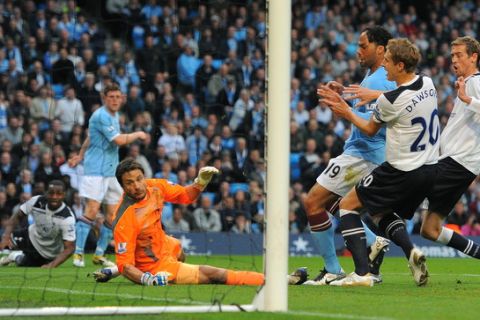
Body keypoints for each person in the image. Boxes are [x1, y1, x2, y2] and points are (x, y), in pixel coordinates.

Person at [319, 38, 439, 287]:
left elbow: (370, 128)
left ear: (401, 65)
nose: (384, 66)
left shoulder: (388, 102)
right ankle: (411, 252)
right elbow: (401, 94)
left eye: (388, 61)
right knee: (380, 211)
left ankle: (362, 274)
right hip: (429, 169)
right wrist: (366, 94)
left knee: (347, 205)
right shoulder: (428, 83)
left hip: (400, 169)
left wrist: (346, 111)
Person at [301, 26, 395, 285]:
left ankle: (333, 269)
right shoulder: (374, 76)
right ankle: (374, 241)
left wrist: (343, 109)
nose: (358, 50)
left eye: (363, 45)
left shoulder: (379, 80)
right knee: (332, 203)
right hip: (365, 152)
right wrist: (344, 95)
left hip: (364, 154)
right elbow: (372, 110)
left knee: (312, 202)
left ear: (380, 49)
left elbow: (377, 122)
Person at [92, 159, 264, 286]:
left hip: (164, 243)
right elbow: (125, 265)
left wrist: (200, 182)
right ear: (123, 187)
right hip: (153, 265)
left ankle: (112, 270)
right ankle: (273, 280)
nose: (137, 186)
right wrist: (148, 280)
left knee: (179, 248)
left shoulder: (155, 187)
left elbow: (186, 196)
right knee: (213, 275)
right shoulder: (124, 218)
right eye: (129, 183)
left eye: (139, 179)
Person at [68, 83, 148, 268]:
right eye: (111, 97)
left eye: (117, 97)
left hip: (111, 172)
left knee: (113, 215)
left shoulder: (114, 115)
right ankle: (78, 254)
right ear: (104, 98)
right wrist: (139, 133)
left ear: (122, 98)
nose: (114, 100)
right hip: (95, 171)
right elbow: (119, 140)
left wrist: (80, 154)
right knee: (92, 210)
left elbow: (91, 137)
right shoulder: (101, 115)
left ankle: (99, 254)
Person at [419, 36, 480, 260]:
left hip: (457, 162)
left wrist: (467, 99)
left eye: (459, 55)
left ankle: (372, 263)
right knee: (430, 229)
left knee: (402, 190)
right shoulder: (467, 83)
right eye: (452, 55)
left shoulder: (475, 82)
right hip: (455, 163)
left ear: (474, 57)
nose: (453, 60)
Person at [0, 180, 75, 268]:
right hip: (30, 236)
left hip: (47, 252)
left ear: (64, 195)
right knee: (6, 244)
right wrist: (6, 237)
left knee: (22, 263)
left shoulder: (67, 218)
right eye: (51, 193)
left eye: (58, 194)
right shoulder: (36, 201)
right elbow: (17, 216)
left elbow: (70, 248)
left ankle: (14, 256)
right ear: (46, 193)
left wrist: (52, 265)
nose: (54, 197)